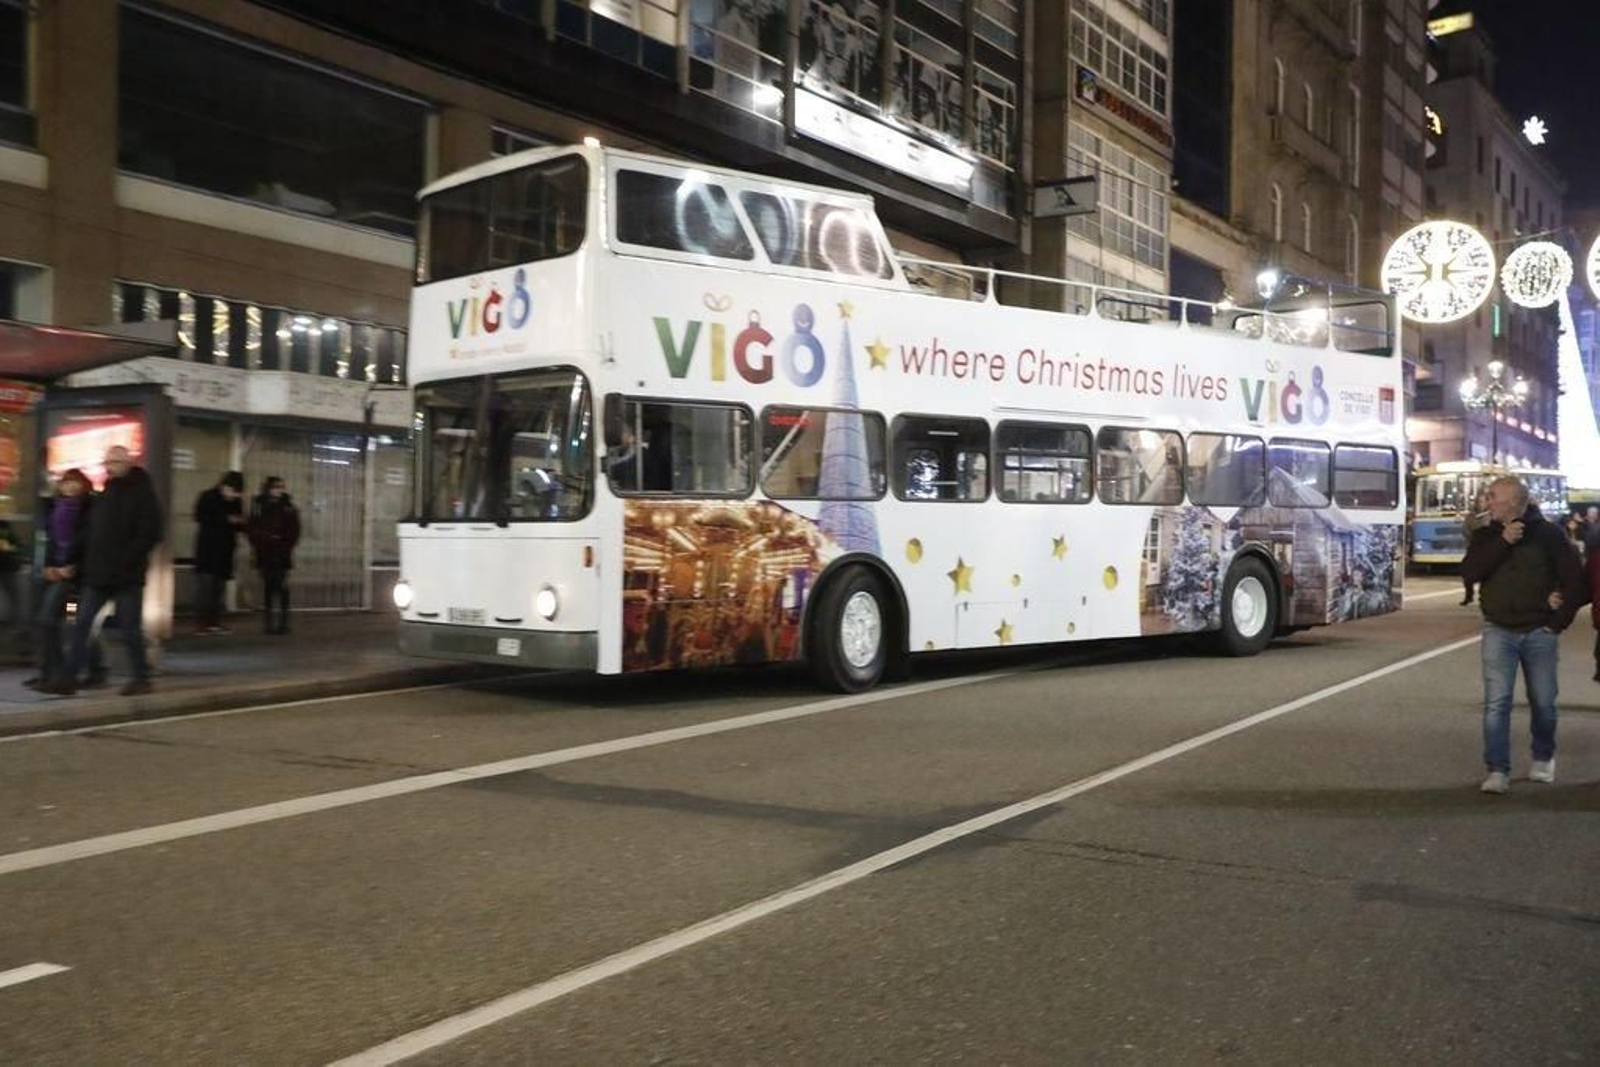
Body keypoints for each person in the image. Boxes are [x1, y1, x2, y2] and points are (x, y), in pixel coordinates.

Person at [1459, 475, 1588, 794]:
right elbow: (1470, 573)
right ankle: (1497, 769)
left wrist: (1557, 622)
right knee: (1496, 703)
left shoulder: (1549, 535)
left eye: (1493, 496)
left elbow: (1576, 582)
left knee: (1543, 701)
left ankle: (1543, 756)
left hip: (1538, 631)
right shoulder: (1486, 535)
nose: (1486, 501)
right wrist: (1503, 541)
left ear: (1515, 501)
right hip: (1498, 629)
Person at [47, 446, 164, 697]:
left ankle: (141, 678)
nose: (108, 466)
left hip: (126, 577)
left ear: (127, 462)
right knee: (80, 623)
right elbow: (91, 532)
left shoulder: (142, 493)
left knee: (129, 628)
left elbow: (150, 533)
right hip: (96, 575)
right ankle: (69, 677)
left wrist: (125, 559)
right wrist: (74, 559)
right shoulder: (107, 492)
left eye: (114, 461)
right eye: (107, 462)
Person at [27, 470, 104, 690]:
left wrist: (71, 568)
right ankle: (88, 669)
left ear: (83, 485)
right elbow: (48, 542)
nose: (70, 487)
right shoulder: (54, 508)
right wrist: (48, 568)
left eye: (75, 483)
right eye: (66, 483)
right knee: (71, 623)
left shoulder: (89, 509)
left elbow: (89, 543)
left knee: (58, 620)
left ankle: (61, 671)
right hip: (53, 576)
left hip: (73, 582)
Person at [192, 470, 245, 634]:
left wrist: (238, 522)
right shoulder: (208, 497)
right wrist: (226, 519)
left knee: (218, 589)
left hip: (225, 551)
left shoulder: (236, 502)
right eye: (231, 490)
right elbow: (200, 516)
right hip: (208, 550)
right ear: (224, 486)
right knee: (206, 589)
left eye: (236, 492)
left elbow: (240, 523)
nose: (233, 495)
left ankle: (214, 622)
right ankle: (202, 623)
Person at [247, 476, 300, 635]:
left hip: (282, 553)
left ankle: (283, 622)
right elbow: (252, 527)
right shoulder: (259, 504)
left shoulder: (288, 506)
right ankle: (269, 623)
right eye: (275, 487)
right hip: (265, 553)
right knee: (269, 587)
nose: (278, 490)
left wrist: (284, 544)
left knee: (282, 587)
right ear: (268, 488)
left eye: (281, 487)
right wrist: (264, 539)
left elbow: (295, 530)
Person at [1459, 489, 1489, 605]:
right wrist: (1472, 538)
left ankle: (1484, 597)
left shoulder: (1490, 515)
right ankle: (1469, 596)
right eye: (1478, 502)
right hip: (1473, 548)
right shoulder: (1471, 516)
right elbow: (1465, 530)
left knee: (1486, 575)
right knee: (1467, 573)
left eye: (1482, 501)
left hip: (1487, 549)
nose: (1480, 504)